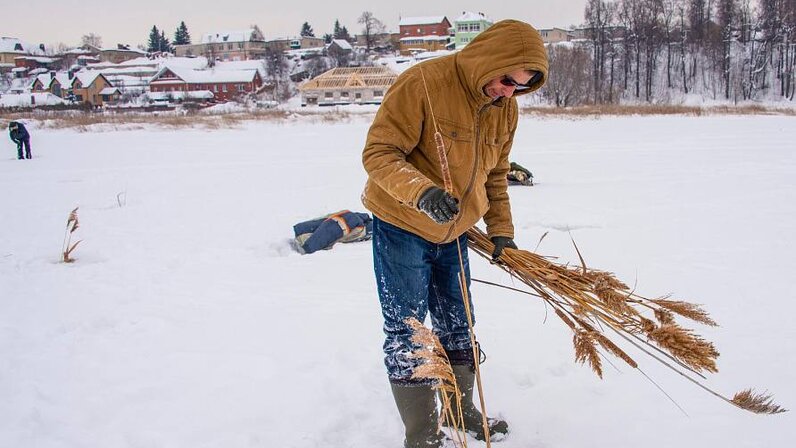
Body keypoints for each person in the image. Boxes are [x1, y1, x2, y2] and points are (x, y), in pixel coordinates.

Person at [361, 20, 548, 448]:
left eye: (519, 88)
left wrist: (502, 232)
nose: (508, 92)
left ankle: (459, 411)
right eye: (505, 80)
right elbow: (379, 153)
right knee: (409, 330)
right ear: (489, 61)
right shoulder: (424, 83)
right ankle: (423, 435)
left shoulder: (506, 107)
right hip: (402, 224)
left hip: (457, 231)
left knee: (459, 325)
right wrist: (421, 192)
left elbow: (496, 174)